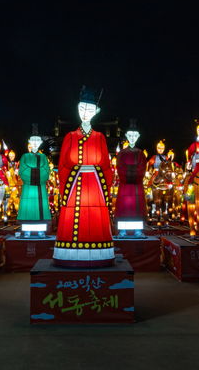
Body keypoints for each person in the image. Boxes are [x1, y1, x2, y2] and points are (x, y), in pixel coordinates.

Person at [53, 86, 114, 268]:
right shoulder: (70, 136)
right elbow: (63, 165)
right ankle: (70, 253)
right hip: (74, 185)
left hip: (95, 185)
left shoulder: (100, 137)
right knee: (73, 219)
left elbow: (106, 166)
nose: (85, 113)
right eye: (81, 109)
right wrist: (66, 185)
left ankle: (97, 253)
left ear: (96, 112)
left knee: (94, 219)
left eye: (89, 110)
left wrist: (106, 188)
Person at [114, 119, 147, 238]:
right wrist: (132, 173)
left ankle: (138, 230)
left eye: (135, 135)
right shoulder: (122, 153)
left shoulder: (140, 153)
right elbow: (120, 168)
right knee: (124, 207)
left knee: (137, 208)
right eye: (130, 135)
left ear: (138, 137)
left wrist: (131, 173)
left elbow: (142, 168)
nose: (132, 138)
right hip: (125, 185)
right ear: (127, 136)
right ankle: (122, 230)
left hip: (136, 185)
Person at [16, 129, 51, 238]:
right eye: (33, 141)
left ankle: (41, 230)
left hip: (39, 187)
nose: (35, 143)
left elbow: (46, 171)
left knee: (40, 208)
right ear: (30, 142)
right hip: (29, 187)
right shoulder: (25, 156)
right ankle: (27, 230)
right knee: (28, 209)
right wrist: (37, 172)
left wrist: (33, 172)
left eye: (37, 141)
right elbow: (22, 170)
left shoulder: (43, 157)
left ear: (40, 143)